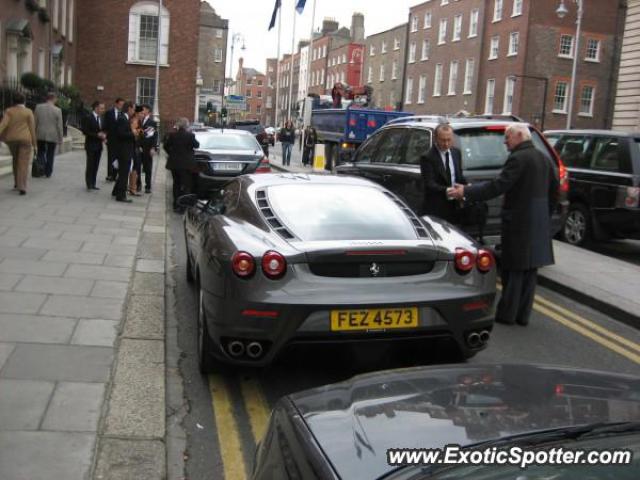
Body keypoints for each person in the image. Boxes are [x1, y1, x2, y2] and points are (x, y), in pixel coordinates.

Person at [447, 124, 559, 326]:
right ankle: (523, 315)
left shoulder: (518, 158)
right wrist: (545, 216)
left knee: (514, 268)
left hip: (520, 221)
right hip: (538, 221)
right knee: (530, 270)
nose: (505, 142)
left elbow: (498, 186)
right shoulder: (543, 157)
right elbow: (554, 192)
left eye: (507, 137)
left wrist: (466, 192)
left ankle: (507, 315)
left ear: (518, 136)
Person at [420, 123, 467, 223]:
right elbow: (429, 184)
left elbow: (459, 177)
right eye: (443, 140)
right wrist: (448, 191)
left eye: (449, 140)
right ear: (436, 139)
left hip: (455, 208)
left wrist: (467, 187)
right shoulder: (427, 157)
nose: (446, 144)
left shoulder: (456, 153)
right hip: (437, 208)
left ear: (453, 138)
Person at [0, 92, 36, 195]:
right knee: (23, 163)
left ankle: (16, 182)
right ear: (24, 101)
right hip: (25, 140)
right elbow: (32, 128)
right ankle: (22, 186)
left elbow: (3, 125)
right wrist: (35, 143)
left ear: (13, 101)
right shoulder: (28, 112)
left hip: (12, 140)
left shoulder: (9, 111)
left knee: (15, 161)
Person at [163, 118, 199, 212]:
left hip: (174, 164)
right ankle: (183, 206)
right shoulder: (190, 135)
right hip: (186, 165)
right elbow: (196, 145)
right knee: (186, 185)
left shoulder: (172, 135)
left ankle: (175, 205)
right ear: (187, 126)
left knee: (176, 184)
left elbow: (165, 146)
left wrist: (171, 153)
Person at [111, 101, 136, 203]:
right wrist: (132, 133)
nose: (134, 111)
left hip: (126, 149)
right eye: (133, 109)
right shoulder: (122, 119)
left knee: (123, 172)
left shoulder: (126, 118)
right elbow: (120, 134)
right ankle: (121, 196)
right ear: (129, 108)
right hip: (123, 150)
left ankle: (117, 191)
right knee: (124, 173)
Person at [34, 92, 64, 178]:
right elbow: (59, 126)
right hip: (52, 135)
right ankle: (48, 172)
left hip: (40, 133)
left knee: (40, 152)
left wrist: (34, 133)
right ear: (53, 99)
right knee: (50, 154)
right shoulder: (58, 110)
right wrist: (60, 138)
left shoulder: (38, 107)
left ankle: (40, 169)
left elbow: (35, 122)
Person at [81, 101, 106, 190]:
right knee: (90, 165)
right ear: (96, 108)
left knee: (96, 165)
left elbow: (102, 129)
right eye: (102, 108)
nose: (103, 110)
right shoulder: (89, 117)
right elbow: (85, 131)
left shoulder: (101, 118)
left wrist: (104, 136)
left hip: (99, 145)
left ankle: (93, 183)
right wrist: (97, 135)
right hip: (91, 145)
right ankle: (89, 183)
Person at [104, 98, 124, 182]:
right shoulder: (109, 113)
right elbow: (105, 125)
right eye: (120, 104)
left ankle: (116, 174)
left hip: (120, 140)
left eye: (122, 105)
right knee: (110, 157)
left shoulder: (123, 114)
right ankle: (110, 174)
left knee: (118, 157)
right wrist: (105, 137)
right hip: (111, 139)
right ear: (116, 104)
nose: (121, 106)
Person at [139, 104, 158, 193]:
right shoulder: (138, 120)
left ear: (148, 111)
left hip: (147, 147)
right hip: (138, 147)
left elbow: (154, 136)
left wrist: (153, 147)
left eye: (143, 109)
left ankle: (148, 186)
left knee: (147, 168)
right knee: (137, 167)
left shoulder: (152, 122)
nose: (141, 111)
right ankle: (138, 185)